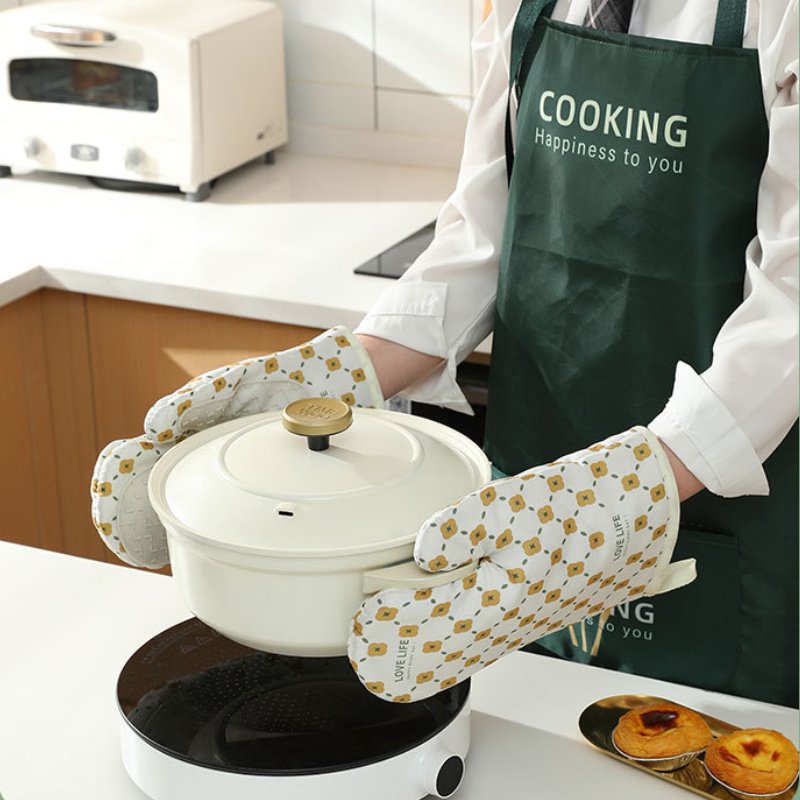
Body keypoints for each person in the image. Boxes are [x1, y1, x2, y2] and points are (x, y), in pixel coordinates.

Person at [92, 0, 798, 708]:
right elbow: (480, 241)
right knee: (534, 723)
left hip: (720, 508)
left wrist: (621, 497)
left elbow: (789, 309)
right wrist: (336, 378)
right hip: (527, 508)